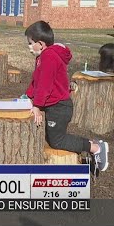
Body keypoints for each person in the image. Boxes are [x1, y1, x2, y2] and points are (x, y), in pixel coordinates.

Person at [24, 20, 108, 174]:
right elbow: (36, 80)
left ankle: (95, 148)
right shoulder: (43, 56)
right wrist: (28, 96)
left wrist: (36, 106)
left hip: (59, 107)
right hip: (54, 105)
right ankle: (93, 144)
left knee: (57, 141)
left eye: (30, 43)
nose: (29, 47)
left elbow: (45, 85)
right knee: (52, 137)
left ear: (41, 44)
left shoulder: (49, 57)